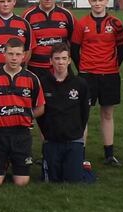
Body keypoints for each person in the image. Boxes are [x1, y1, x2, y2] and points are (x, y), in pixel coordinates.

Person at [71, 0, 123, 167]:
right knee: (83, 115)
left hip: (110, 75)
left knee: (108, 114)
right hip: (87, 76)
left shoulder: (116, 23)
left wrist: (110, 65)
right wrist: (84, 69)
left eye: (100, 0)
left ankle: (109, 154)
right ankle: (80, 154)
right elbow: (75, 50)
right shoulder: (82, 23)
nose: (97, 3)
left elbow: (122, 50)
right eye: (94, 0)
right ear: (89, 1)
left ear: (106, 1)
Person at [0, 38, 44, 186]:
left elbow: (40, 107)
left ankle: (14, 163)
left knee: (22, 182)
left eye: (18, 54)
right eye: (10, 53)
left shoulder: (32, 78)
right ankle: (3, 164)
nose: (14, 58)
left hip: (21, 134)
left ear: (24, 55)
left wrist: (27, 115)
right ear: (3, 54)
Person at [38, 43, 91, 183]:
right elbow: (40, 116)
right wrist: (47, 134)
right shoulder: (43, 83)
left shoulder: (80, 84)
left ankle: (84, 166)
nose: (60, 62)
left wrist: (77, 134)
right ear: (51, 61)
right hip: (52, 141)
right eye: (56, 58)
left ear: (69, 60)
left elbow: (85, 114)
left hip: (73, 140)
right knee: (52, 180)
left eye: (63, 58)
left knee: (74, 180)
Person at [23, 0, 75, 79]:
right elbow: (24, 43)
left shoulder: (67, 15)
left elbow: (73, 42)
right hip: (36, 68)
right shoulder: (28, 15)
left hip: (61, 68)